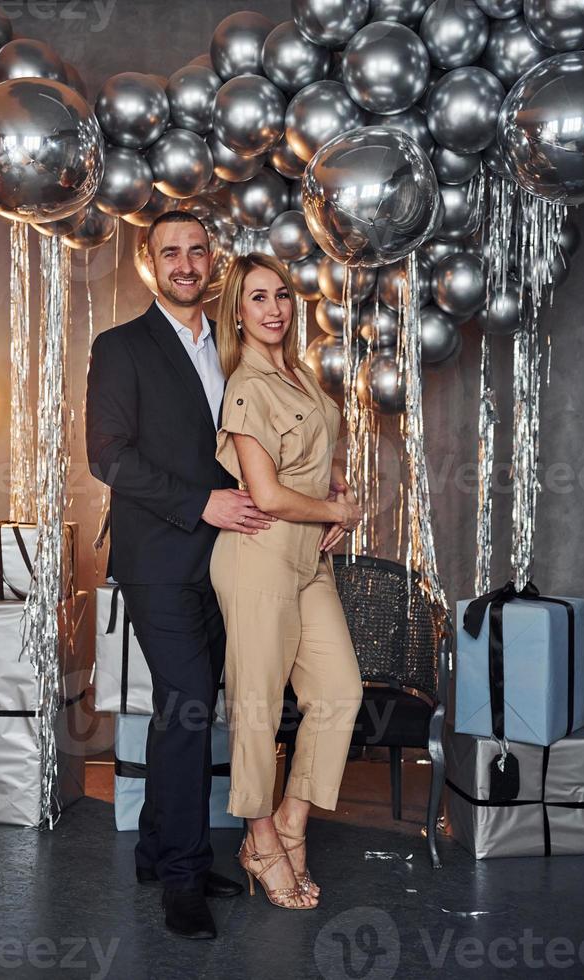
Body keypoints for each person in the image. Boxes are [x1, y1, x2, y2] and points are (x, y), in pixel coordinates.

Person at [85, 213, 275, 941]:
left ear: (212, 261)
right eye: (172, 252)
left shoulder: (234, 345)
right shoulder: (122, 347)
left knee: (185, 706)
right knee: (191, 701)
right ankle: (184, 880)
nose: (187, 263)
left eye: (198, 251)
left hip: (228, 558)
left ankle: (159, 849)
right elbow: (110, 458)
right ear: (148, 263)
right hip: (159, 555)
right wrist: (201, 503)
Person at [210, 253, 365, 911]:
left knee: (340, 691)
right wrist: (340, 511)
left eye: (280, 296)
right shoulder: (246, 384)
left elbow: (320, 453)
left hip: (311, 559)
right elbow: (267, 494)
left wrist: (339, 487)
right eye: (257, 299)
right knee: (256, 707)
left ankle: (294, 822)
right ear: (237, 313)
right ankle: (260, 838)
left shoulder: (298, 373)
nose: (274, 309)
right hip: (258, 554)